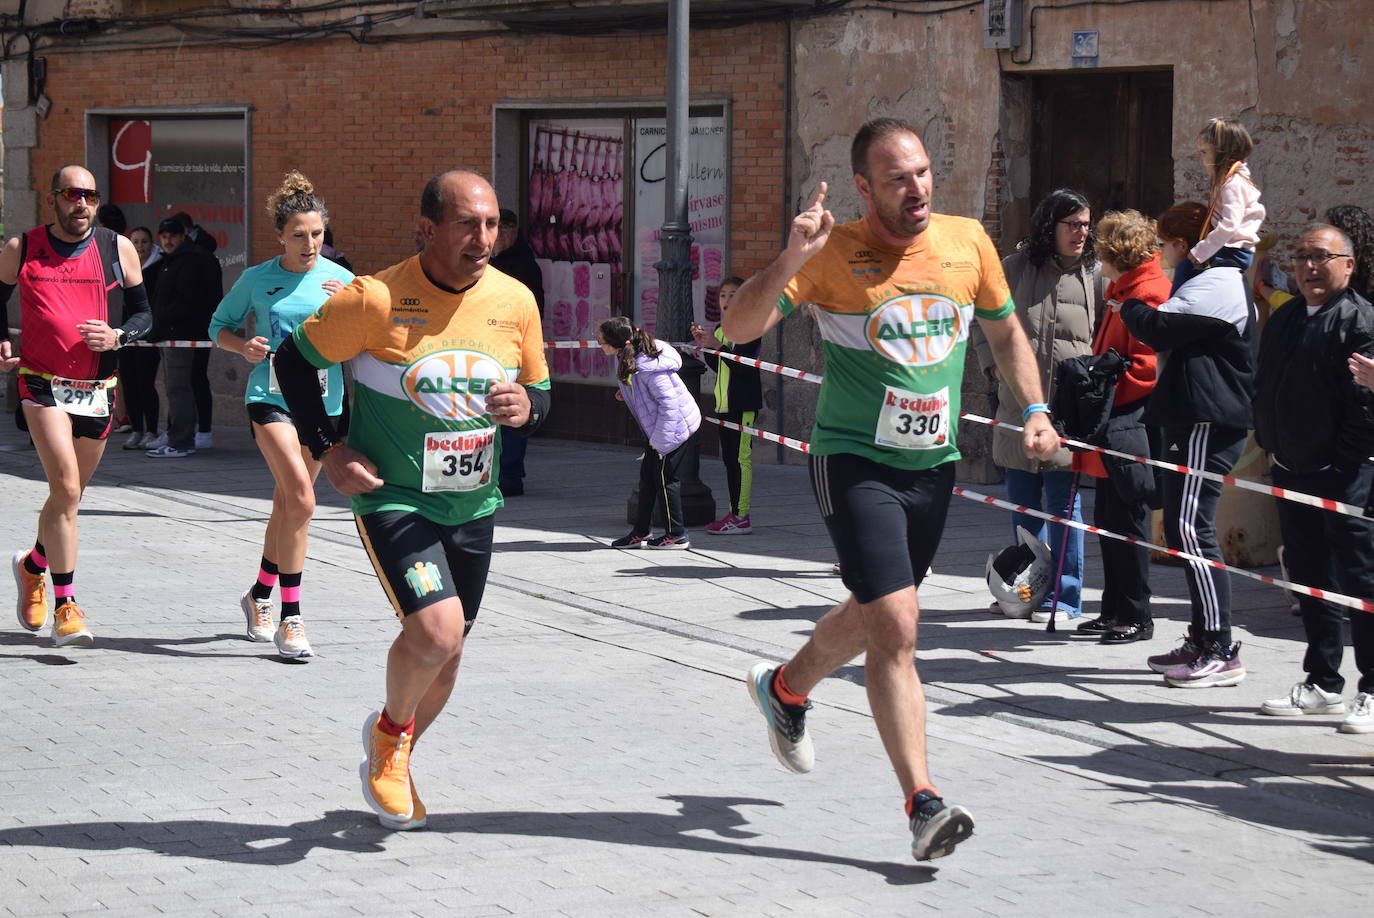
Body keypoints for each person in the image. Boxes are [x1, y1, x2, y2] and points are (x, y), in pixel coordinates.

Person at [723, 118, 1058, 861]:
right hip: (853, 460)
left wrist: (1033, 410)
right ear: (864, 187)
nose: (917, 188)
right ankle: (923, 804)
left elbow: (1004, 334)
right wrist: (790, 257)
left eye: (924, 172)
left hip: (930, 464)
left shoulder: (967, 242)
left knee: (881, 611)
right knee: (899, 626)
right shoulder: (831, 252)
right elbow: (737, 330)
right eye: (898, 178)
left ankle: (784, 689)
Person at [273, 170, 550, 829]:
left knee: (448, 661)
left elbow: (541, 393)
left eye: (491, 225)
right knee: (435, 630)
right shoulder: (374, 298)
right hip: (394, 495)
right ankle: (392, 736)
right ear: (427, 229)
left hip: (473, 502)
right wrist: (330, 447)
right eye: (466, 224)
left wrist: (526, 410)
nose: (483, 238)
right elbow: (294, 361)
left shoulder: (515, 300)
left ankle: (392, 752)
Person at [1, 165, 151, 646]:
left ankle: (32, 566)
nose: (81, 203)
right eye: (71, 194)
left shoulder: (116, 247)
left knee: (69, 497)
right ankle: (66, 605)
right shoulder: (21, 247)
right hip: (41, 384)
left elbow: (146, 313)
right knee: (64, 487)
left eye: (89, 195)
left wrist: (119, 335)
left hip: (97, 387)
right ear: (54, 200)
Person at [208, 171, 354, 659]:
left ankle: (258, 596)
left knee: (287, 507)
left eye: (316, 234)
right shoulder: (257, 279)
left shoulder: (344, 281)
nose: (309, 244)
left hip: (323, 406)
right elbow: (219, 325)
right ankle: (292, 617)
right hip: (268, 399)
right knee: (303, 500)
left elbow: (372, 341)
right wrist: (242, 345)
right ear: (280, 237)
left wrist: (349, 311)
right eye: (298, 235)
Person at [1116, 201, 1256, 688]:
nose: (1166, 254)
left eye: (1168, 244)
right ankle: (1202, 636)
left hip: (1207, 421)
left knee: (1192, 530)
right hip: (1192, 417)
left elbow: (1156, 327)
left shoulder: (1217, 284)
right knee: (1180, 527)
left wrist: (1127, 303)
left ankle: (1220, 646)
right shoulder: (1204, 281)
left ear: (1185, 244)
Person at [1254, 224, 1374, 734]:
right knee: (1308, 578)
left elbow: (1364, 407)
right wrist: (1271, 444)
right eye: (1302, 257)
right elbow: (1266, 385)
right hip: (1290, 470)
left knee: (1359, 582)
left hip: (1343, 477)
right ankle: (1323, 682)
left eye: (1322, 257)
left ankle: (1371, 689)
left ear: (1348, 264)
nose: (1309, 267)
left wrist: (1341, 464)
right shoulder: (1283, 318)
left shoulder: (1360, 321)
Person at [972, 188, 1099, 623]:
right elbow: (985, 321)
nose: (1081, 232)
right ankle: (1024, 587)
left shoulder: (1095, 274)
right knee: (1022, 506)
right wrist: (993, 371)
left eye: (1086, 224)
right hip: (1018, 407)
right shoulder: (1015, 267)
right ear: (1050, 226)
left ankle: (1064, 597)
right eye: (1072, 224)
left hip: (1067, 412)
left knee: (1065, 506)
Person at [1073, 210, 1168, 644]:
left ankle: (1135, 614)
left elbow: (1146, 368)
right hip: (1114, 421)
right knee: (1108, 515)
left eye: (1101, 250)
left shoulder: (1146, 294)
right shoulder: (1122, 288)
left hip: (1132, 422)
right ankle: (1113, 609)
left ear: (1116, 254)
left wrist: (1100, 393)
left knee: (1129, 519)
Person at [600, 316, 701, 550]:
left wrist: (660, 442)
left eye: (602, 340)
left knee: (666, 480)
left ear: (615, 342)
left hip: (674, 427)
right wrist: (626, 394)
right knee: (647, 479)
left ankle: (677, 534)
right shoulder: (627, 357)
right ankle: (641, 532)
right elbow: (640, 389)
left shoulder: (650, 368)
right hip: (659, 427)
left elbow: (670, 405)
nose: (599, 343)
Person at [691, 276, 761, 534]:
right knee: (730, 460)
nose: (727, 300)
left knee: (741, 460)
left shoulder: (750, 326)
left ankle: (741, 517)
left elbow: (745, 366)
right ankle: (734, 513)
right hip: (724, 405)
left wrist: (717, 345)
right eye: (723, 295)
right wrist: (707, 347)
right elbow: (719, 366)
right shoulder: (721, 328)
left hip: (743, 403)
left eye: (734, 294)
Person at [147, 217, 221, 458]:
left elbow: (186, 301)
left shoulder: (191, 260)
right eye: (164, 236)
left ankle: (180, 441)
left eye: (173, 236)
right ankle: (178, 436)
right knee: (181, 386)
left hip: (182, 334)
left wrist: (160, 321)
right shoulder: (174, 260)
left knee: (180, 388)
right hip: (177, 334)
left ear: (183, 236)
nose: (167, 240)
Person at [1171, 117, 1264, 293]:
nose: (1201, 159)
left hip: (1234, 250)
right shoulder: (1225, 182)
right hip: (1227, 247)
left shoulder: (1233, 184)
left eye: (1205, 152)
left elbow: (1229, 225)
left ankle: (1172, 313)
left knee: (1185, 268)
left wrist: (1201, 251)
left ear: (1222, 153)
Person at [490, 208, 545, 497]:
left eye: (507, 230)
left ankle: (510, 475)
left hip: (512, 348)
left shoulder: (523, 265)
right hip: (487, 348)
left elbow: (532, 313)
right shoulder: (487, 261)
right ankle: (501, 471)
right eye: (498, 229)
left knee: (511, 409)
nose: (501, 236)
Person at [119, 226, 163, 450]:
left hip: (147, 336)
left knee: (146, 383)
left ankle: (152, 430)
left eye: (144, 241)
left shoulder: (158, 266)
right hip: (125, 334)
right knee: (129, 382)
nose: (139, 247)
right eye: (135, 242)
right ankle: (136, 429)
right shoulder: (122, 265)